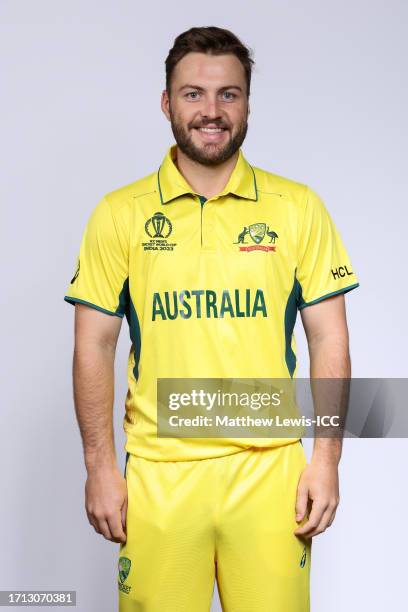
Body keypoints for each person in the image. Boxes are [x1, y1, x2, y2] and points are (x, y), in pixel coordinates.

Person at [64, 26, 359, 612]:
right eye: (194, 93)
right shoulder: (119, 214)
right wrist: (100, 468)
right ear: (167, 102)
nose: (212, 111)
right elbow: (93, 347)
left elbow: (330, 338)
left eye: (229, 94)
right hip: (158, 475)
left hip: (270, 474)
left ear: (248, 102)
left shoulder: (297, 207)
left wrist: (325, 461)